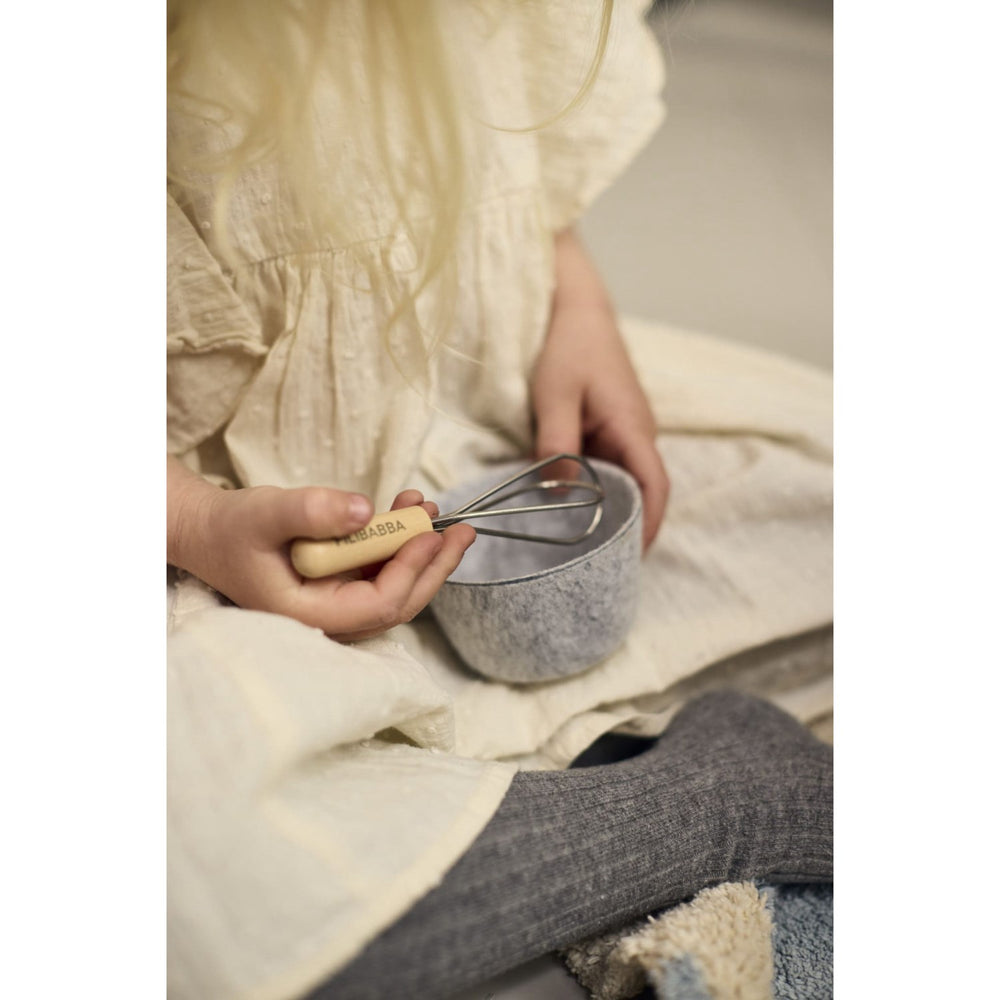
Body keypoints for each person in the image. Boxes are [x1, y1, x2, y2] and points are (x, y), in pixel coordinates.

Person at [166, 2, 833, 998]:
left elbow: (538, 185)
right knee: (180, 871)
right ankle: (714, 807)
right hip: (222, 544)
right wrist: (192, 521)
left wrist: (579, 312)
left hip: (492, 413)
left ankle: (501, 796)